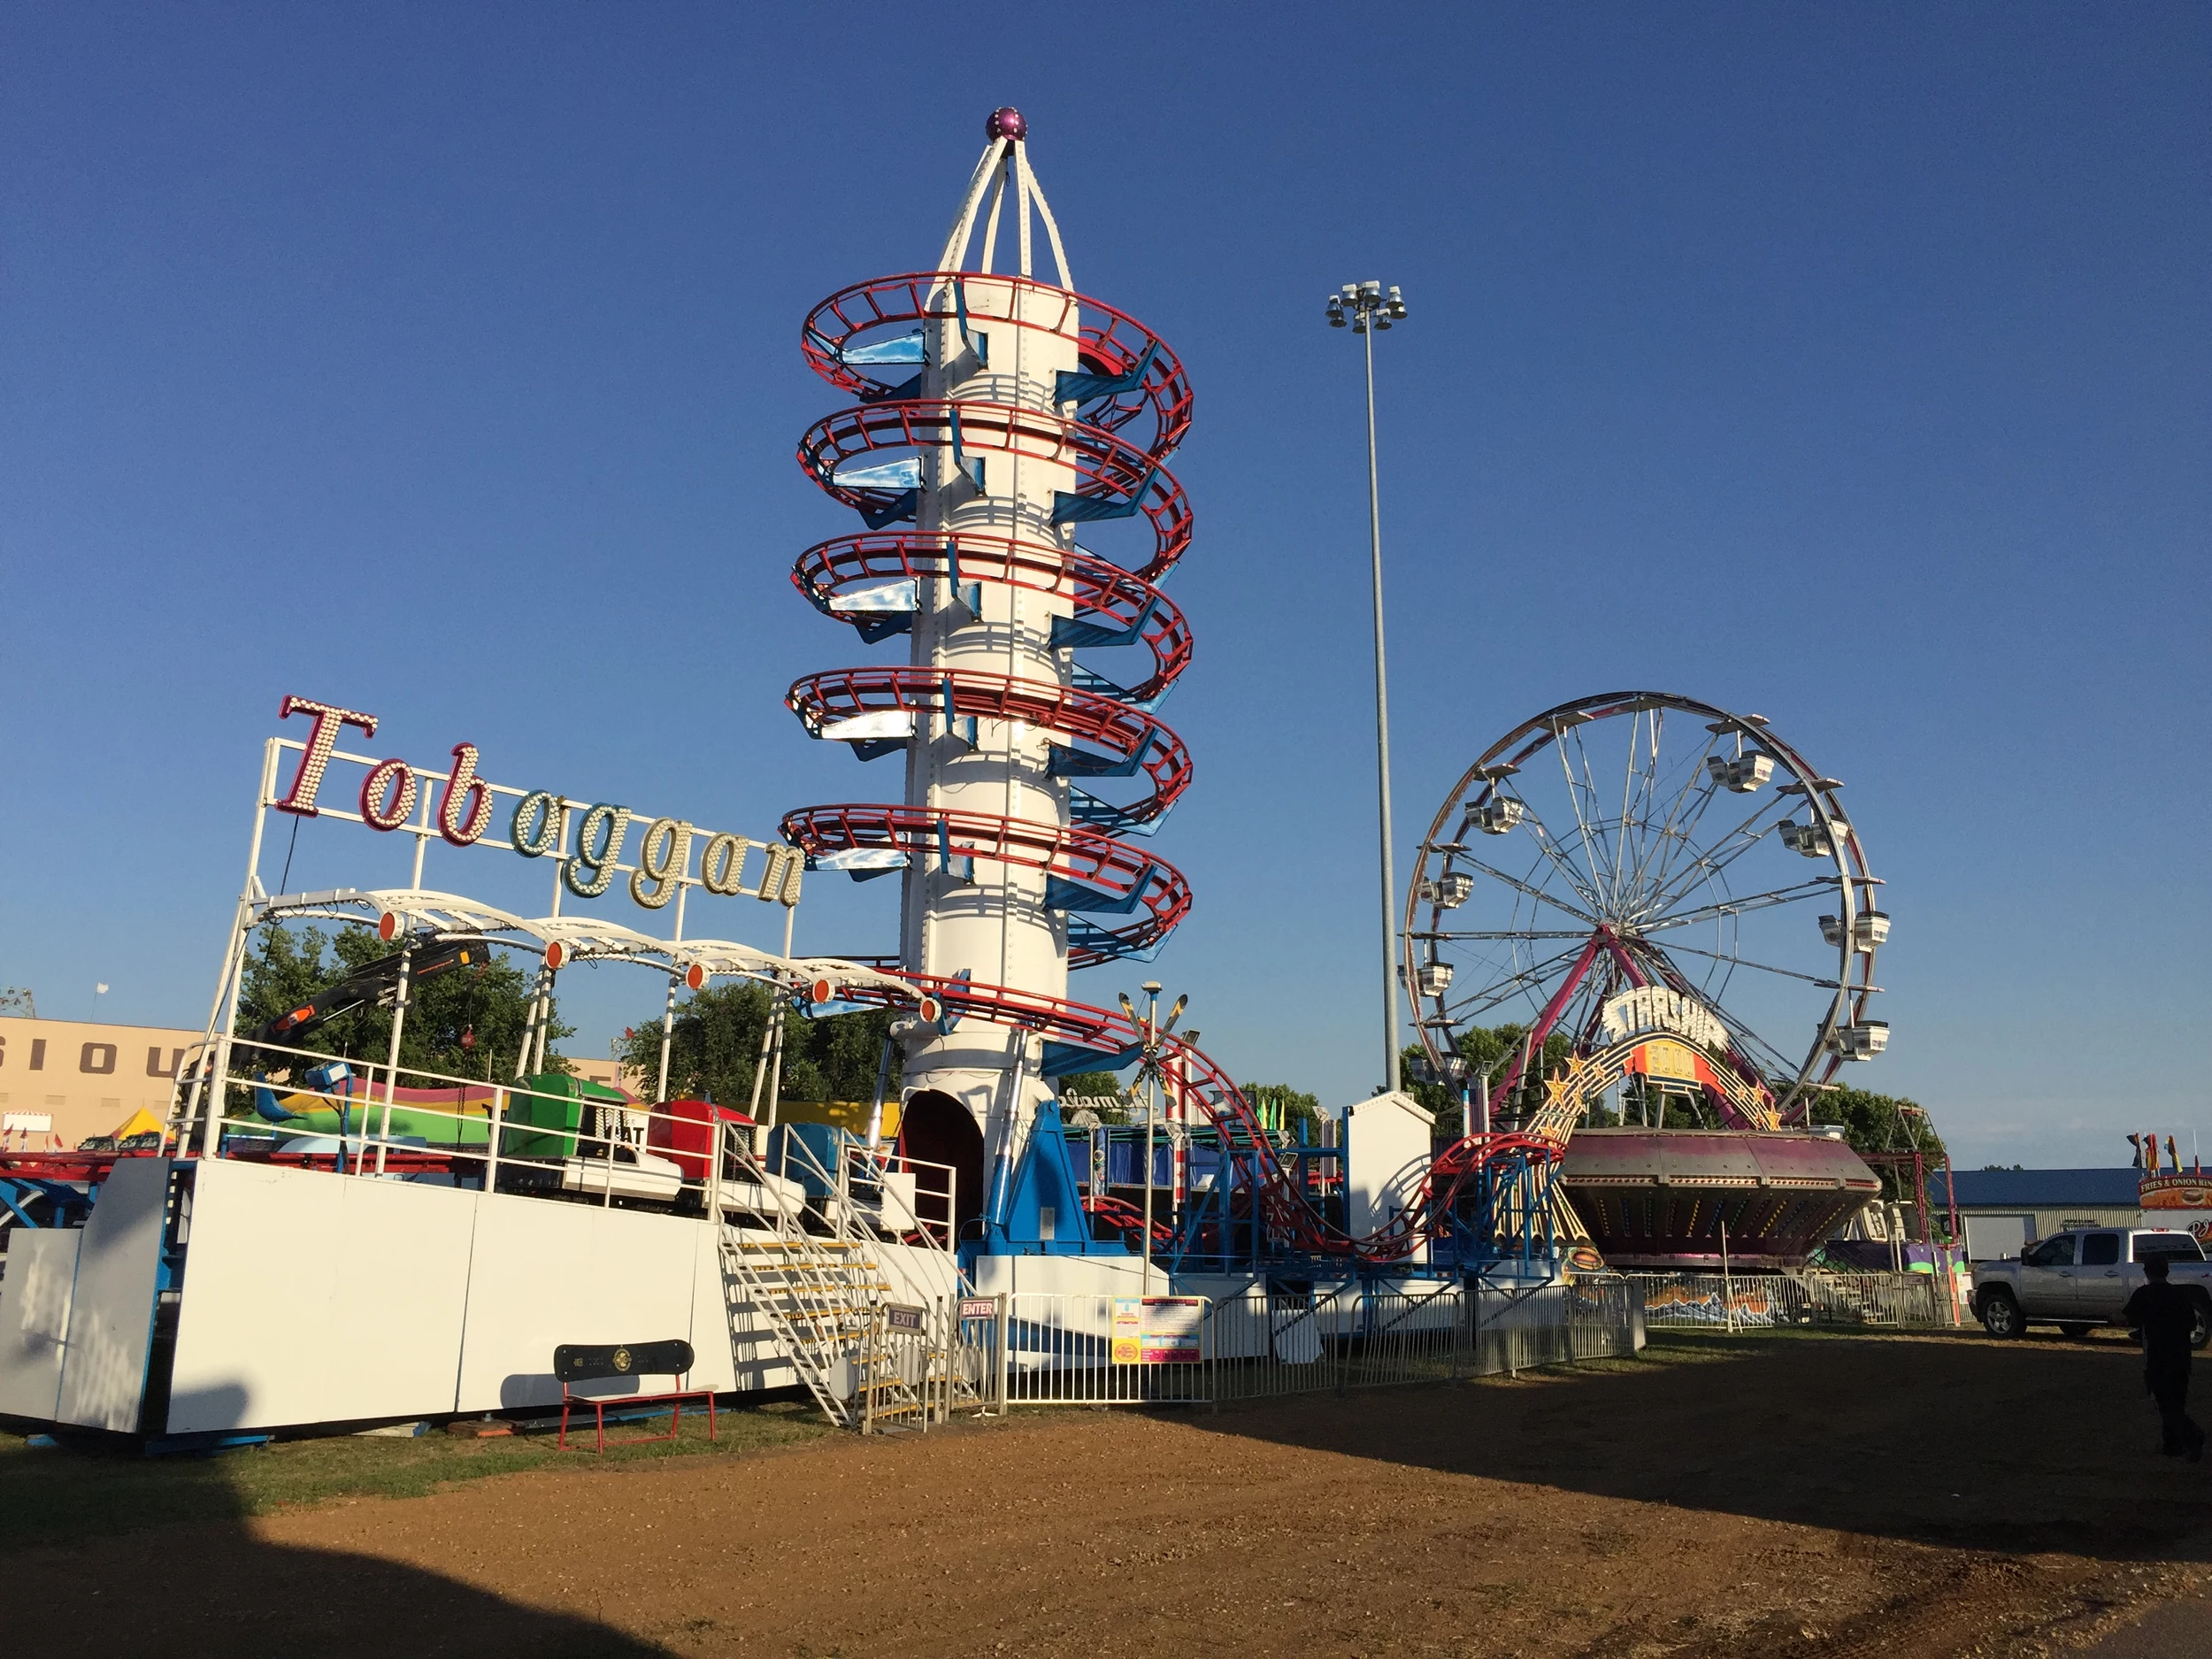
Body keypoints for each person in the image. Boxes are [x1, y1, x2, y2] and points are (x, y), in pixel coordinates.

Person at [2122, 1256, 2204, 1461]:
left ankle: (2192, 1436)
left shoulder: (2143, 1295)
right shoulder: (2180, 1295)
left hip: (2157, 1358)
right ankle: (2172, 1445)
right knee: (2177, 1400)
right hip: (2181, 1357)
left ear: (2147, 1273)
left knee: (2164, 1404)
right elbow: (2192, 1324)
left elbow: (2130, 1318)